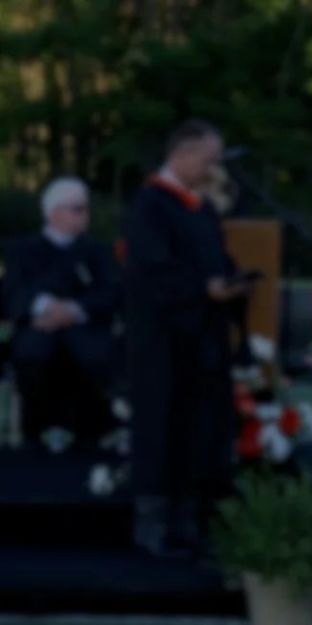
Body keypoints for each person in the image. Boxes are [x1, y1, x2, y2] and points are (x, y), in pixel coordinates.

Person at [124, 119, 249, 557]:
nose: (214, 170)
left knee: (198, 427)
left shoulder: (203, 209)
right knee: (161, 425)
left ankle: (188, 517)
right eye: (209, 160)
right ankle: (153, 522)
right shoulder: (151, 204)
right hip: (162, 340)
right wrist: (201, 288)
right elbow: (151, 272)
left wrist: (232, 283)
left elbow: (217, 257)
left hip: (203, 340)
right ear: (184, 154)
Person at [3, 177, 120, 450]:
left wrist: (73, 309)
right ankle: (37, 433)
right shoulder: (22, 250)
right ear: (54, 212)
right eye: (77, 209)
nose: (85, 215)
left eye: (85, 208)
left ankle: (93, 434)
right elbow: (12, 290)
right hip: (38, 328)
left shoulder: (98, 251)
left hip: (86, 328)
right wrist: (44, 306)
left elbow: (112, 291)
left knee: (96, 355)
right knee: (31, 353)